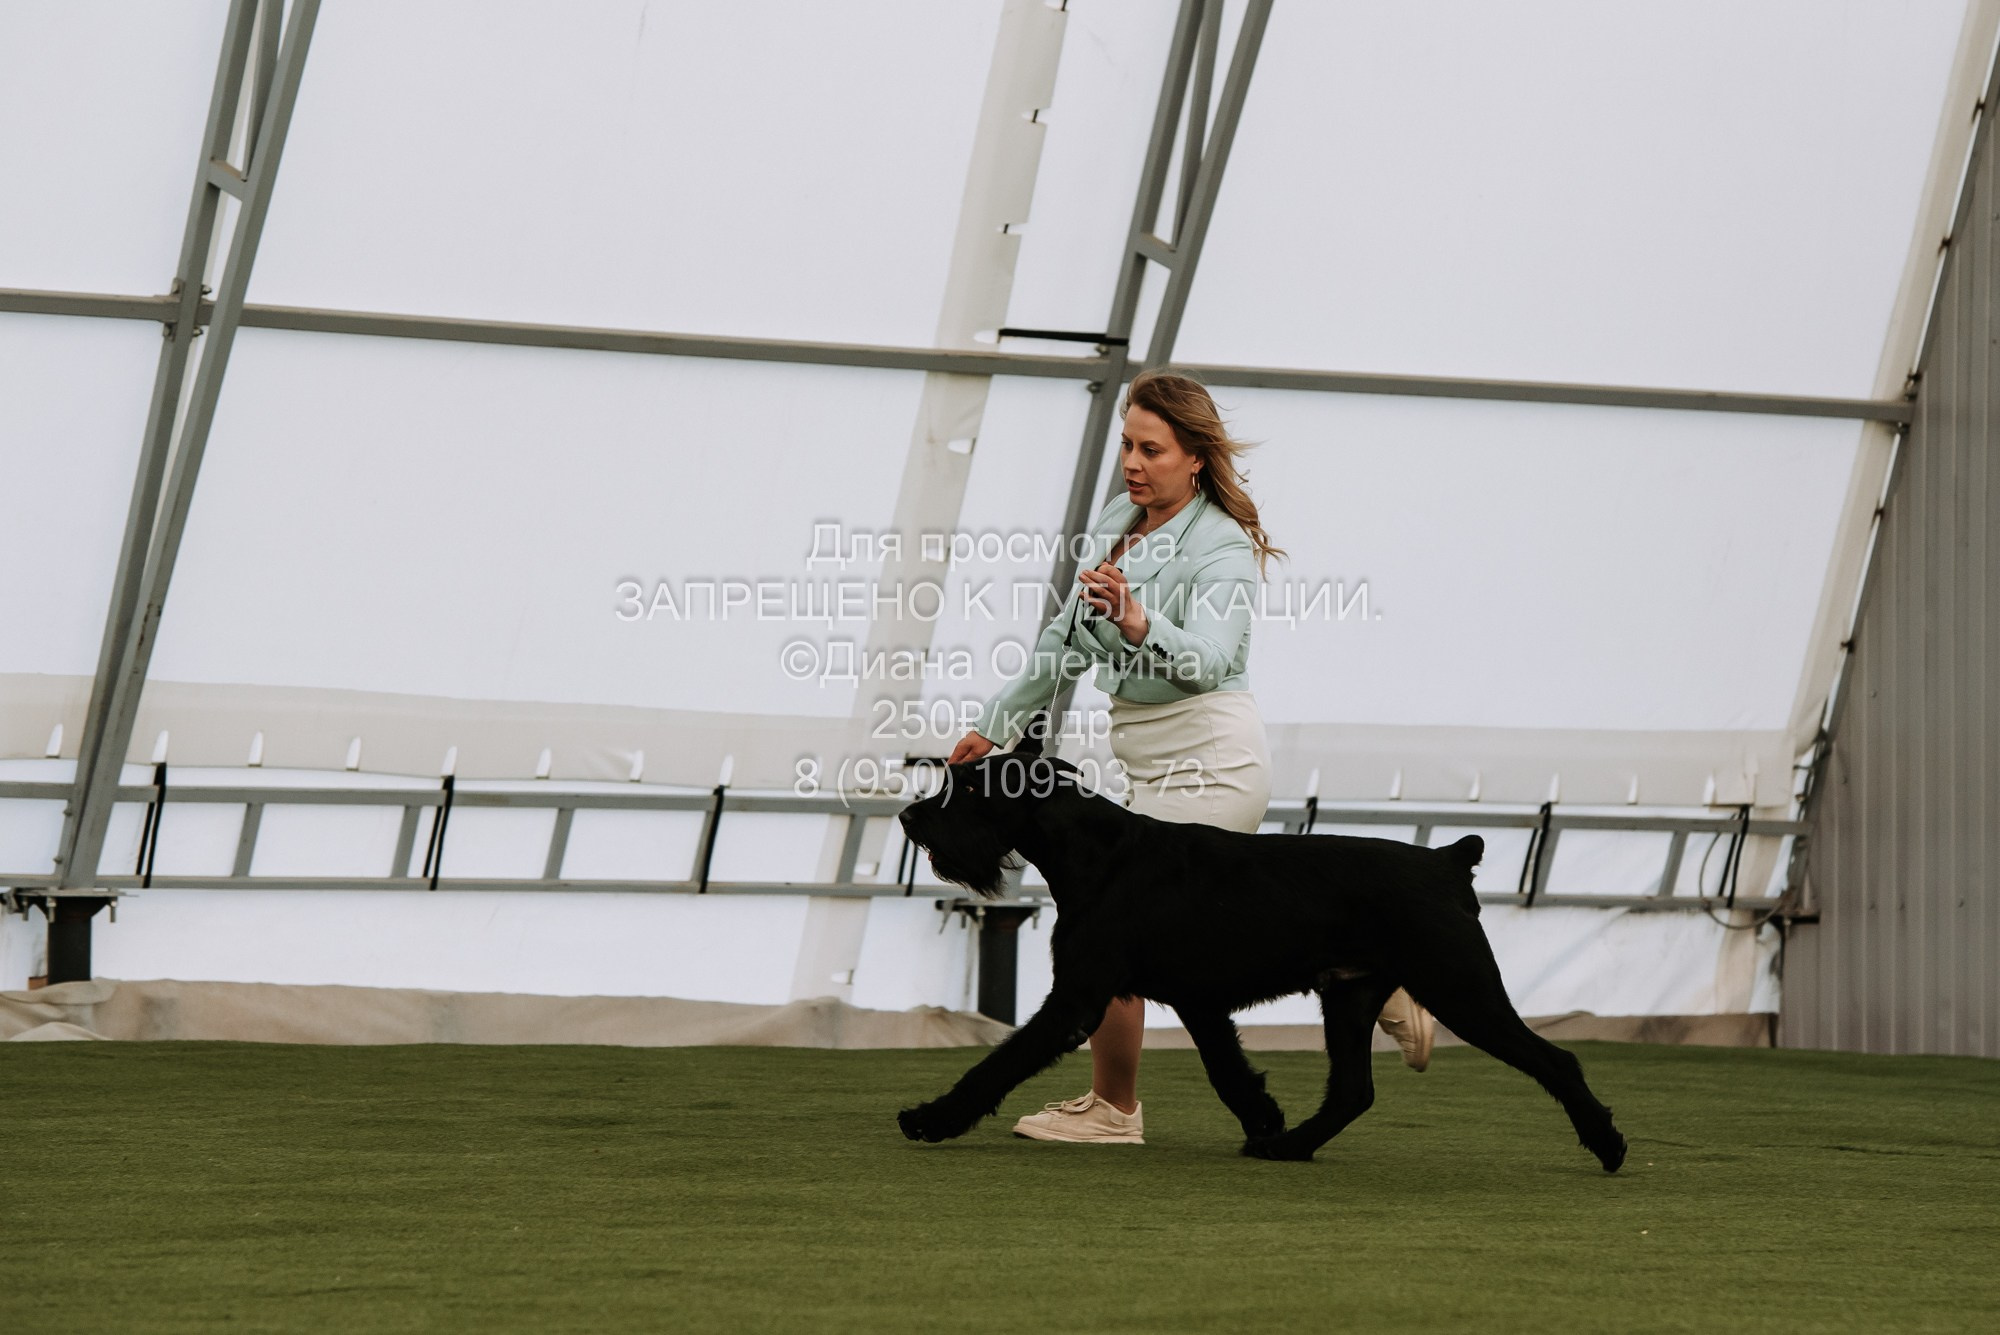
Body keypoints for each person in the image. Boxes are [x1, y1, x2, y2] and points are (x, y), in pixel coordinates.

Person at [946, 369, 1435, 1146]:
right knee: (1186, 940)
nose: (1133, 463)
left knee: (1112, 930)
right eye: (1126, 445)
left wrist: (1141, 622)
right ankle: (1381, 976)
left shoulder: (1224, 546)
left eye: (1152, 448)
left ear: (1196, 457)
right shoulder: (1118, 519)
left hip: (1213, 757)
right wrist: (997, 723)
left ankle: (1114, 1110)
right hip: (1147, 760)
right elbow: (1062, 640)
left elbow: (1209, 660)